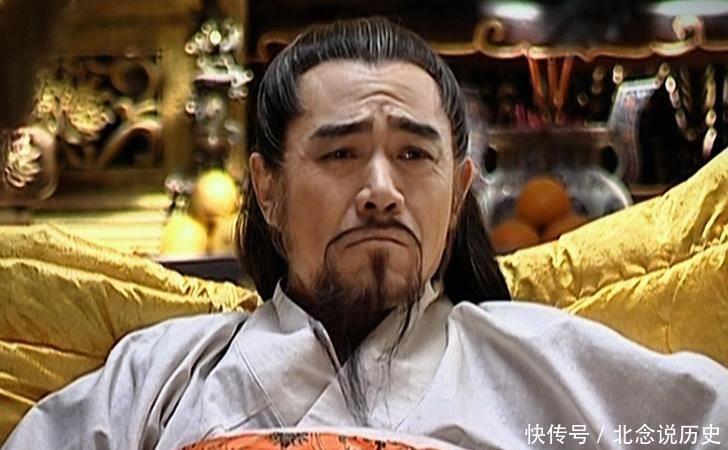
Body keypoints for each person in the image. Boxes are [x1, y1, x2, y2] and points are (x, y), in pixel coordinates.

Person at [3, 17, 727, 450]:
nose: (381, 191)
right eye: (341, 154)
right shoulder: (157, 380)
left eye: (413, 156)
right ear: (268, 189)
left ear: (458, 194)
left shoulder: (553, 371)